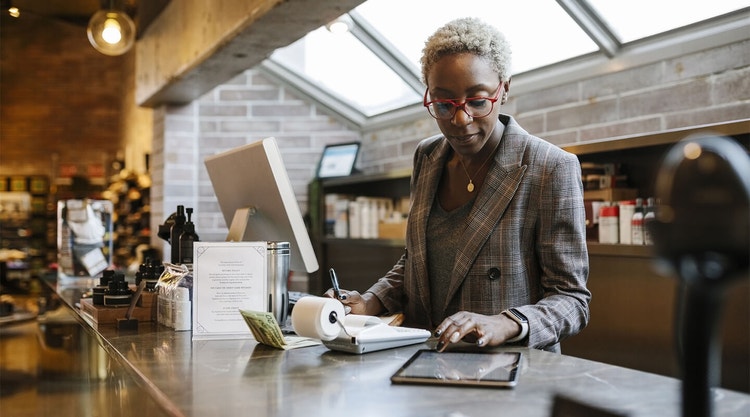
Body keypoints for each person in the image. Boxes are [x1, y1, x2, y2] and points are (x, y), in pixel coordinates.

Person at [327, 17, 591, 353]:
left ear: (504, 89)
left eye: (478, 101)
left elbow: (572, 299)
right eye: (443, 104)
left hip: (506, 373)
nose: (460, 120)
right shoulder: (428, 156)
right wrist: (369, 302)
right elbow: (416, 262)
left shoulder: (550, 167)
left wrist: (507, 322)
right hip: (423, 362)